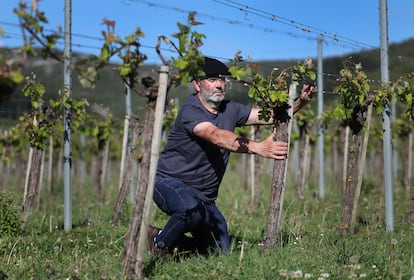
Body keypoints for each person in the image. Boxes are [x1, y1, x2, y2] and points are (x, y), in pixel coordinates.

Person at [149, 57, 316, 257]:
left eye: (221, 80)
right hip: (169, 182)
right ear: (197, 84)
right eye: (211, 79)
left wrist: (300, 102)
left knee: (220, 251)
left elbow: (268, 115)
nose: (219, 84)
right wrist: (258, 147)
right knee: (189, 210)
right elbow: (215, 135)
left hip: (204, 197)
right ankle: (157, 243)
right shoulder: (191, 110)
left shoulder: (230, 108)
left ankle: (171, 243)